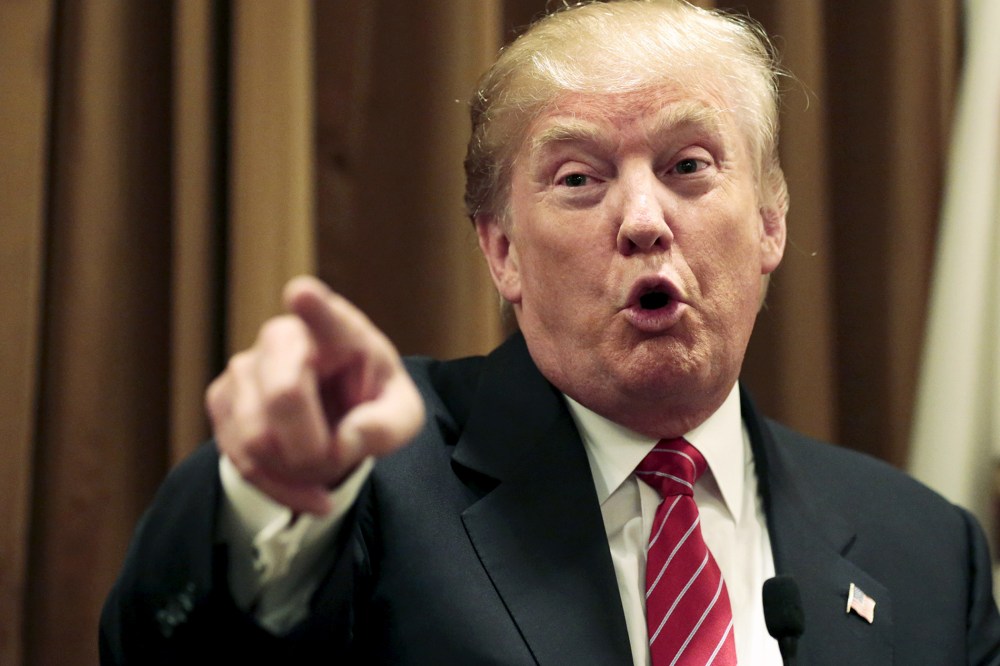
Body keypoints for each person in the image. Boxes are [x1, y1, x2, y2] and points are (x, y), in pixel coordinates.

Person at [100, 1, 1000, 664]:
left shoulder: (927, 551)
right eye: (578, 179)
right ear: (502, 253)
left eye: (688, 165)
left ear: (770, 222)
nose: (642, 220)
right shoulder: (376, 480)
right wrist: (268, 498)